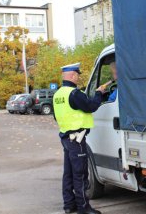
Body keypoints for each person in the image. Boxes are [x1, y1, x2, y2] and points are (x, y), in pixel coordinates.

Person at [53, 63, 105, 214]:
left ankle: (69, 205)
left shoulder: (58, 95)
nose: (78, 77)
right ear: (72, 76)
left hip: (65, 138)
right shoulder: (74, 94)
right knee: (80, 174)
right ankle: (84, 208)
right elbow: (91, 106)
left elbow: (57, 117)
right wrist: (99, 93)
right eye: (77, 75)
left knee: (68, 173)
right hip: (77, 139)